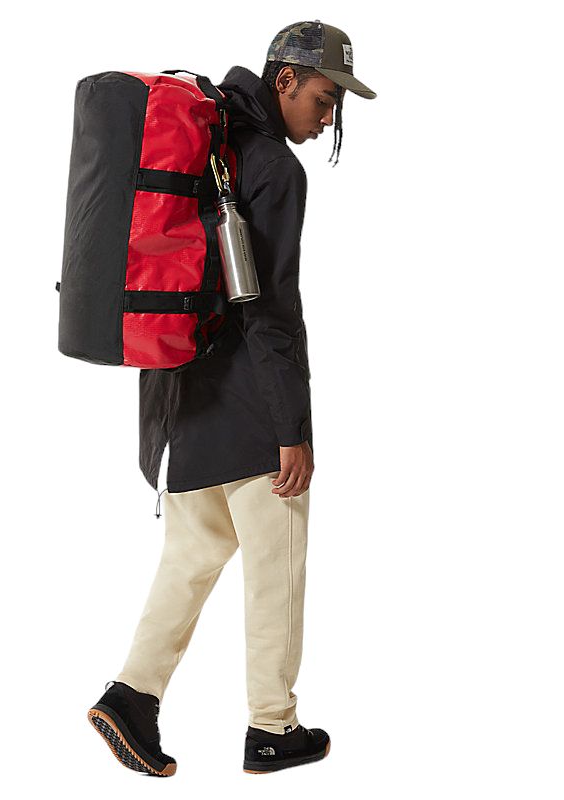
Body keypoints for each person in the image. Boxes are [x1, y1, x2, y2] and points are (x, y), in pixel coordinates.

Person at [87, 20, 376, 776]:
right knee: (277, 567)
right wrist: (293, 428)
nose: (328, 118)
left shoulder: (211, 143)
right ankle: (273, 727)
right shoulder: (275, 167)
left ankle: (131, 696)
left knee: (191, 554)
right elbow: (272, 313)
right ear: (285, 80)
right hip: (253, 410)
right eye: (324, 98)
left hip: (184, 395)